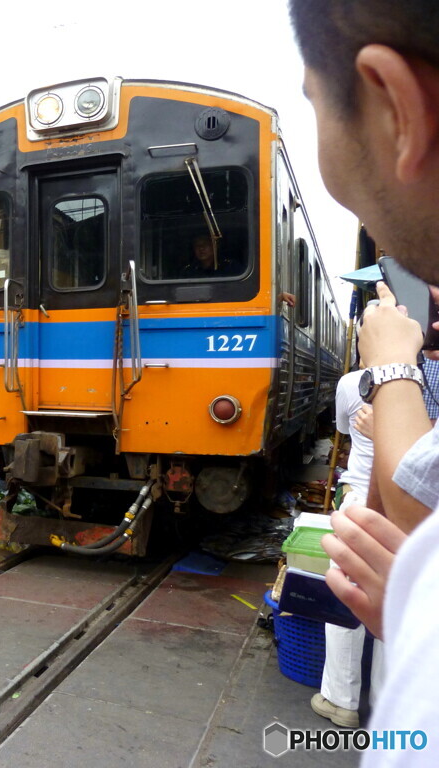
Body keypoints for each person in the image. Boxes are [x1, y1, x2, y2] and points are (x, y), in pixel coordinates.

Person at [290, 1, 439, 760]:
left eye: (313, 99)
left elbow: (418, 483)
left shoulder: (385, 370)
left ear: (392, 109)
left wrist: (389, 366)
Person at [313, 353, 383, 728]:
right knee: (399, 600)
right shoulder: (424, 384)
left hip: (360, 500)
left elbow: (342, 425)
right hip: (414, 503)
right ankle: (390, 702)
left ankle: (341, 700)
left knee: (347, 594)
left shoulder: (352, 382)